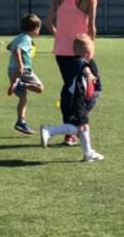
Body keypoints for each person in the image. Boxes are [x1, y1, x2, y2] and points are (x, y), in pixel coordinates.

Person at [46, 0, 99, 146]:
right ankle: (73, 128)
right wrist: (89, 47)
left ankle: (72, 128)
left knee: (71, 88)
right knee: (92, 88)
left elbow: (48, 21)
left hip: (61, 51)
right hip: (80, 51)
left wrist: (59, 36)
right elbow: (92, 28)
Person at [40, 34, 104, 162]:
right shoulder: (81, 63)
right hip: (75, 100)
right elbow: (85, 69)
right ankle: (50, 130)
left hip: (72, 98)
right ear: (86, 53)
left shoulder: (79, 61)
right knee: (82, 126)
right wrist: (90, 75)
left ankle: (88, 153)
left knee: (81, 125)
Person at [7, 14, 45, 135]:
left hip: (11, 70)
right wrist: (21, 65)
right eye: (39, 28)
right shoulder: (26, 39)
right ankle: (22, 84)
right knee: (40, 88)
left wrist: (26, 53)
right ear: (34, 29)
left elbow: (10, 47)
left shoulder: (19, 37)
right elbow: (17, 49)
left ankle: (20, 121)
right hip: (23, 70)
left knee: (23, 98)